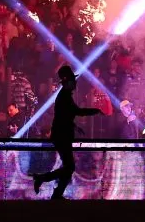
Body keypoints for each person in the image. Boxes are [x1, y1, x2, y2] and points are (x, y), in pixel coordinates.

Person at [31, 66, 103, 200]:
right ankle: (43, 179)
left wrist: (75, 126)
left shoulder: (65, 96)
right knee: (69, 167)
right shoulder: (64, 97)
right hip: (61, 136)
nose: (75, 83)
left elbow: (65, 116)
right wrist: (95, 111)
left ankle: (56, 193)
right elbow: (76, 112)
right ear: (67, 82)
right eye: (73, 81)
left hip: (62, 135)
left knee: (69, 167)